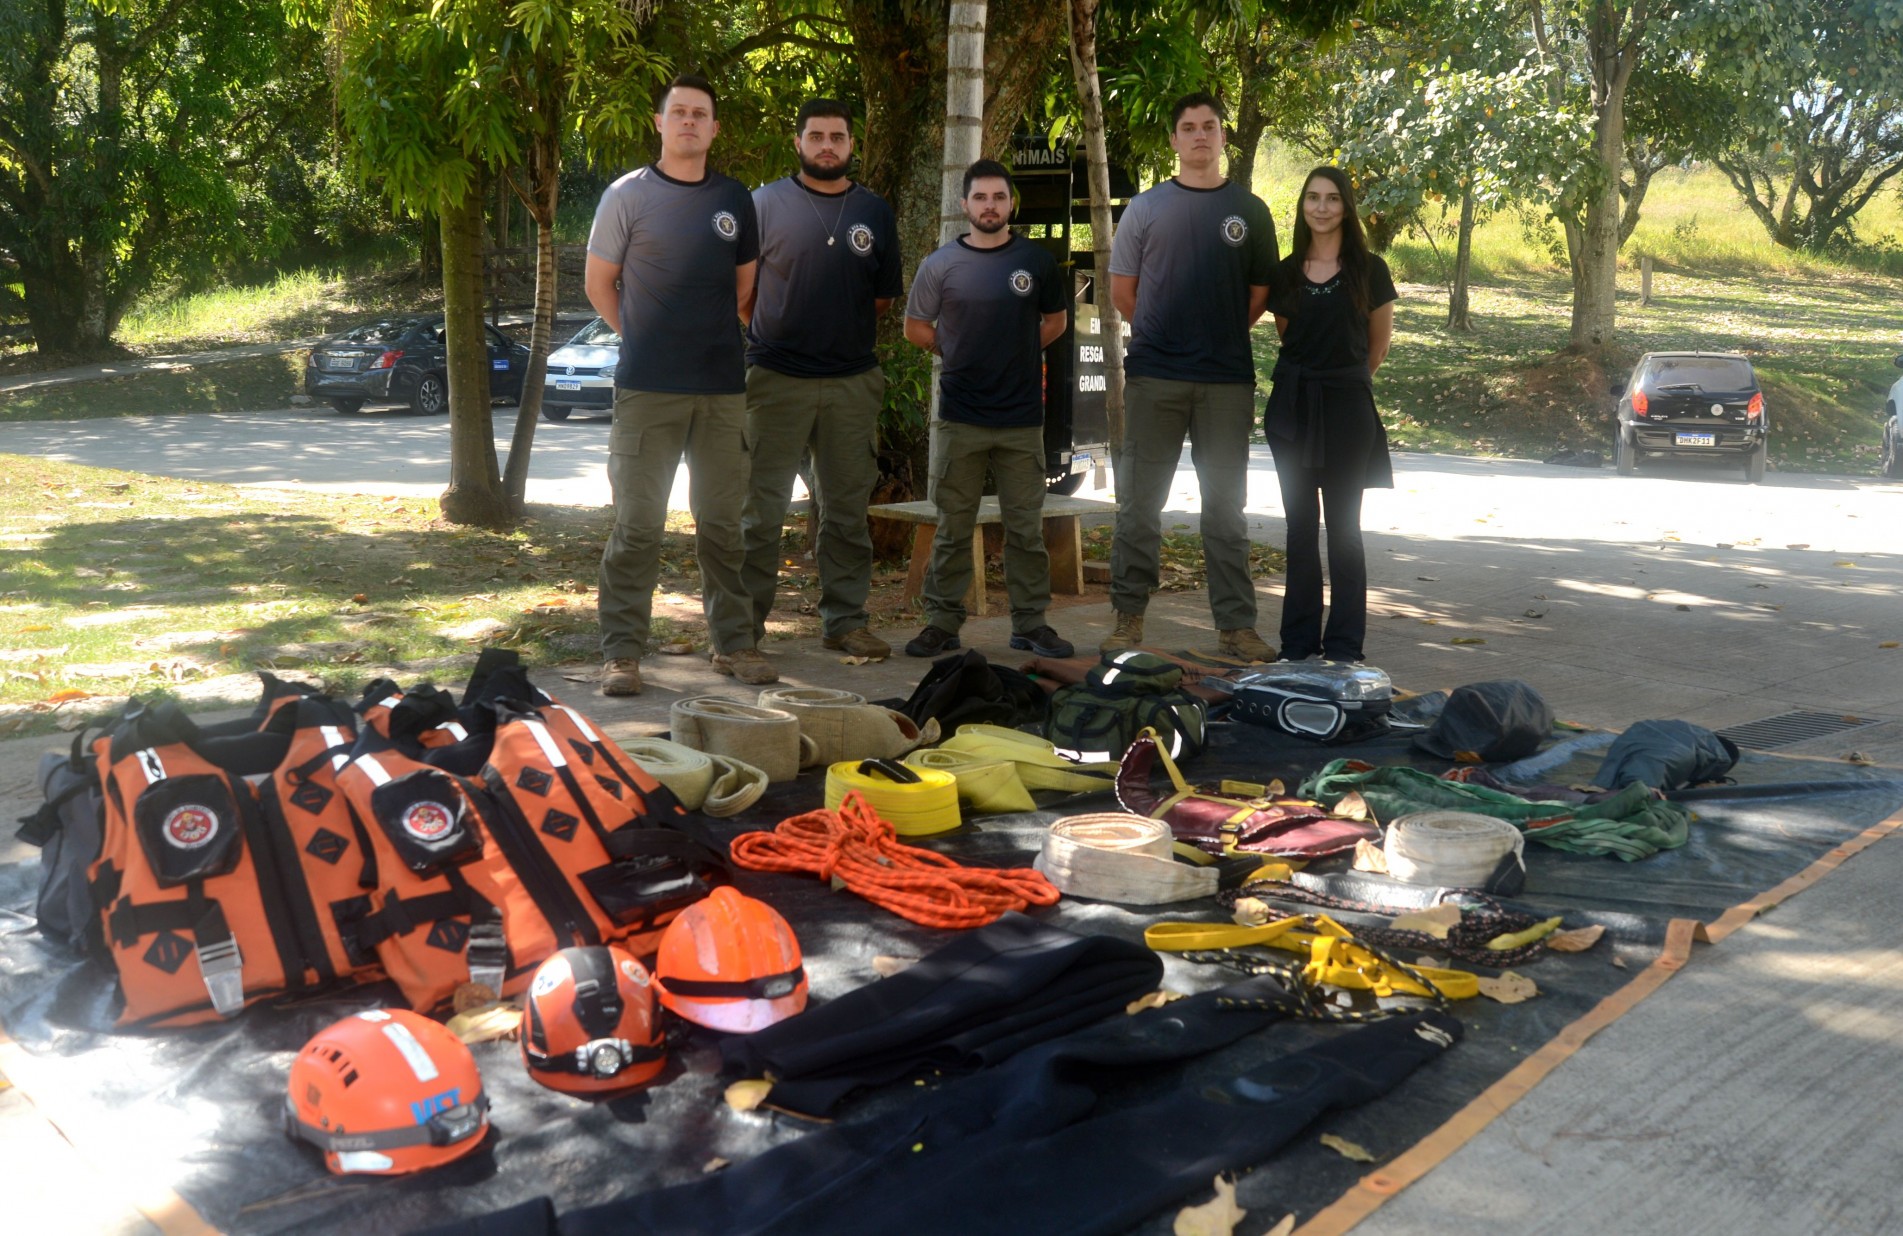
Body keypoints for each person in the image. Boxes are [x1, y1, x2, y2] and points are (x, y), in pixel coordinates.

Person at [584, 73, 773, 694]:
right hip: (648, 388)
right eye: (679, 112)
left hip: (721, 389)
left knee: (722, 526)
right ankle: (621, 654)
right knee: (638, 525)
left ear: (714, 129)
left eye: (701, 113)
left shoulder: (735, 199)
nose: (689, 121)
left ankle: (735, 644)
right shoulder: (626, 196)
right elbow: (598, 285)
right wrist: (643, 335)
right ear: (659, 123)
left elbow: (743, 290)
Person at [1103, 91, 1278, 662]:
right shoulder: (1146, 208)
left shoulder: (1250, 212)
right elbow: (1123, 293)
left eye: (1209, 126)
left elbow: (1258, 296)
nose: (1200, 135)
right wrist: (1167, 335)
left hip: (1227, 380)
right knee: (1137, 505)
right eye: (1189, 127)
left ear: (1223, 137)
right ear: (1175, 140)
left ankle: (1236, 627)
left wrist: (1217, 335)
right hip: (1155, 376)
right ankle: (1127, 620)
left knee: (1226, 509)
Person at [738, 99, 902, 662]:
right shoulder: (763, 204)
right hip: (775, 378)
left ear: (851, 144)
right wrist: (776, 332)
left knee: (847, 512)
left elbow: (880, 298)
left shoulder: (874, 211)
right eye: (816, 136)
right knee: (759, 512)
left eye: (837, 136)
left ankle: (845, 622)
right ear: (799, 142)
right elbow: (744, 293)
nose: (826, 145)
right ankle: (742, 635)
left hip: (851, 382)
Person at [900, 159, 1075, 661]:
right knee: (954, 526)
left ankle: (1030, 625)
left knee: (1025, 530)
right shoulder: (941, 265)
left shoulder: (1037, 262)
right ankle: (942, 624)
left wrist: (1016, 352)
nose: (990, 206)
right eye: (981, 198)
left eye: (999, 197)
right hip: (961, 416)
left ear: (1010, 203)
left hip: (1021, 419)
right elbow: (915, 328)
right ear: (965, 205)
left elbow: (1056, 321)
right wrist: (956, 352)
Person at [1263, 166, 1396, 663]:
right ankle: (1297, 646)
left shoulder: (1371, 270)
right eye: (1313, 198)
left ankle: (1343, 647)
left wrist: (1337, 382)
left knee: (1344, 530)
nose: (1321, 207)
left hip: (1347, 412)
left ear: (1346, 208)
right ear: (1302, 206)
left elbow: (1376, 349)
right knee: (1299, 529)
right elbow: (1289, 338)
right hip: (1291, 411)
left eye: (1332, 199)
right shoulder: (1285, 271)